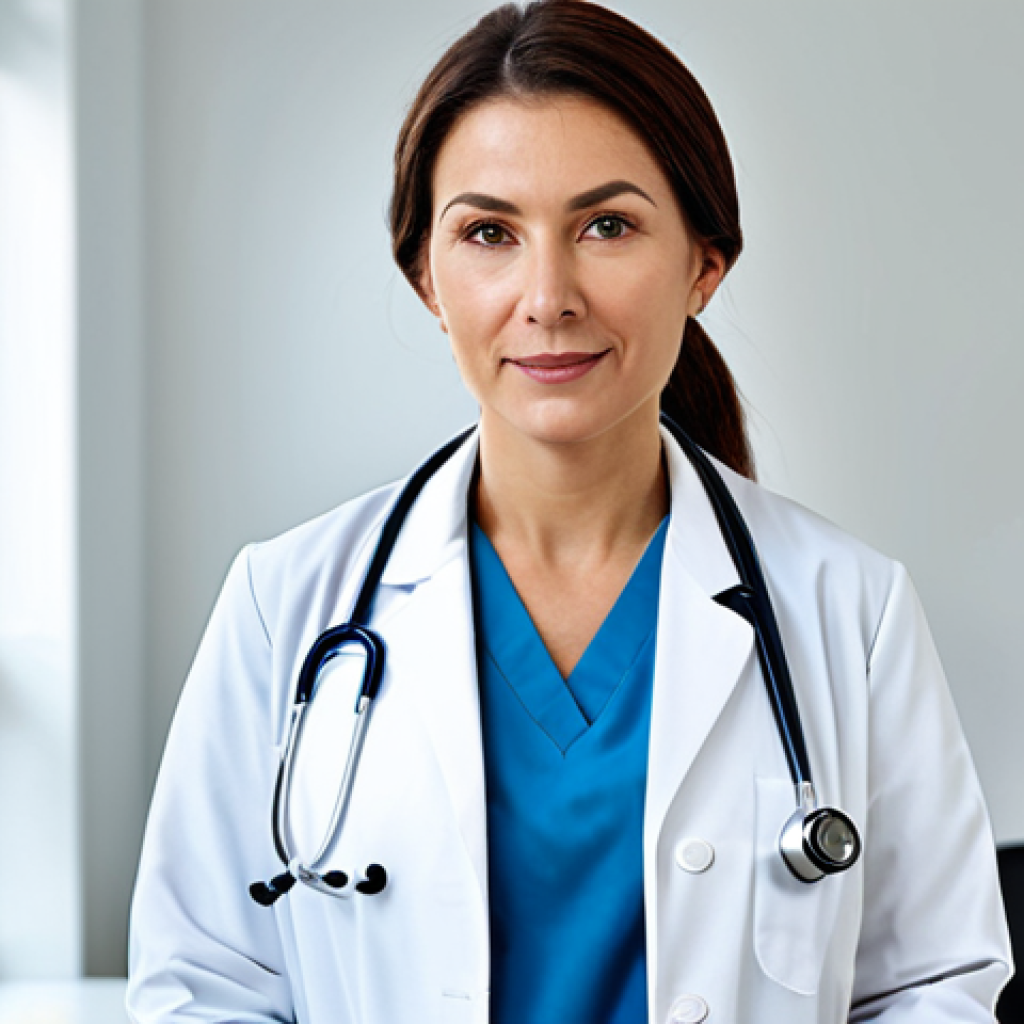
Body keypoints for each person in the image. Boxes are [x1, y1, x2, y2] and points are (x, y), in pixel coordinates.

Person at [126, 2, 1012, 1022]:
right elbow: (202, 988)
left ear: (703, 263)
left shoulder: (849, 610)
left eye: (606, 226)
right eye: (489, 233)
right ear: (426, 276)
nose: (547, 296)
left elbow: (932, 986)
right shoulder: (282, 604)